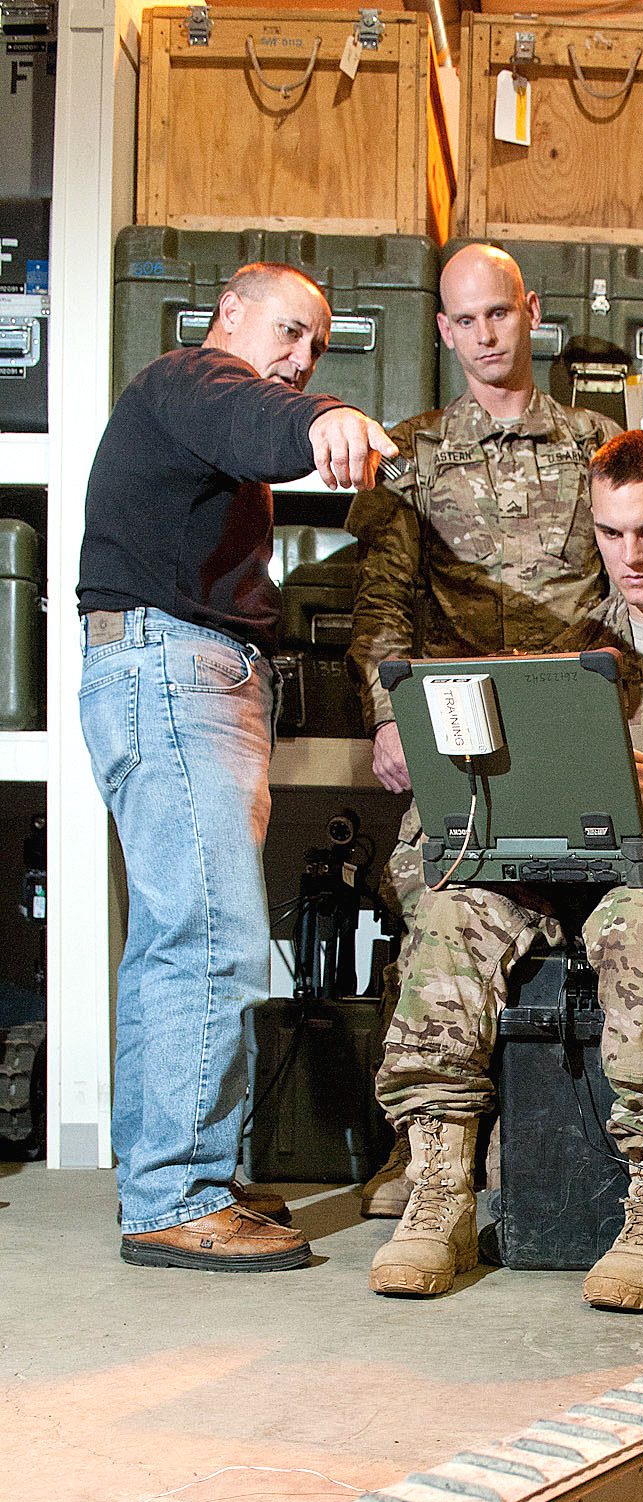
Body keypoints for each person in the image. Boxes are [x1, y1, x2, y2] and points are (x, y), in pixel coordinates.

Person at [369, 428, 643, 1311]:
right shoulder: (561, 643)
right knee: (453, 916)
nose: (630, 555)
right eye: (611, 534)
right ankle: (439, 1191)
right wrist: (447, 853)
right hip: (560, 866)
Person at [78, 262, 396, 1273]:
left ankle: (176, 1175)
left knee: (178, 935)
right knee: (206, 937)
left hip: (162, 669)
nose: (302, 359)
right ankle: (178, 1194)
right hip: (173, 670)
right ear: (230, 313)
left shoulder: (195, 414)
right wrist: (327, 420)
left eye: (320, 348)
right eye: (291, 331)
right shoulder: (189, 380)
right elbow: (254, 413)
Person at [346, 242, 621, 1218]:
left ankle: (533, 1139)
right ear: (442, 328)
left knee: (594, 911)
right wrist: (388, 718)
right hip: (457, 730)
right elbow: (380, 604)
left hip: (571, 721)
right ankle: (417, 1146)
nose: (483, 336)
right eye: (463, 320)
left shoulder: (598, 445)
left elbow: (631, 596)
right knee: (428, 896)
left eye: (497, 313)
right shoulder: (411, 453)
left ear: (530, 311)